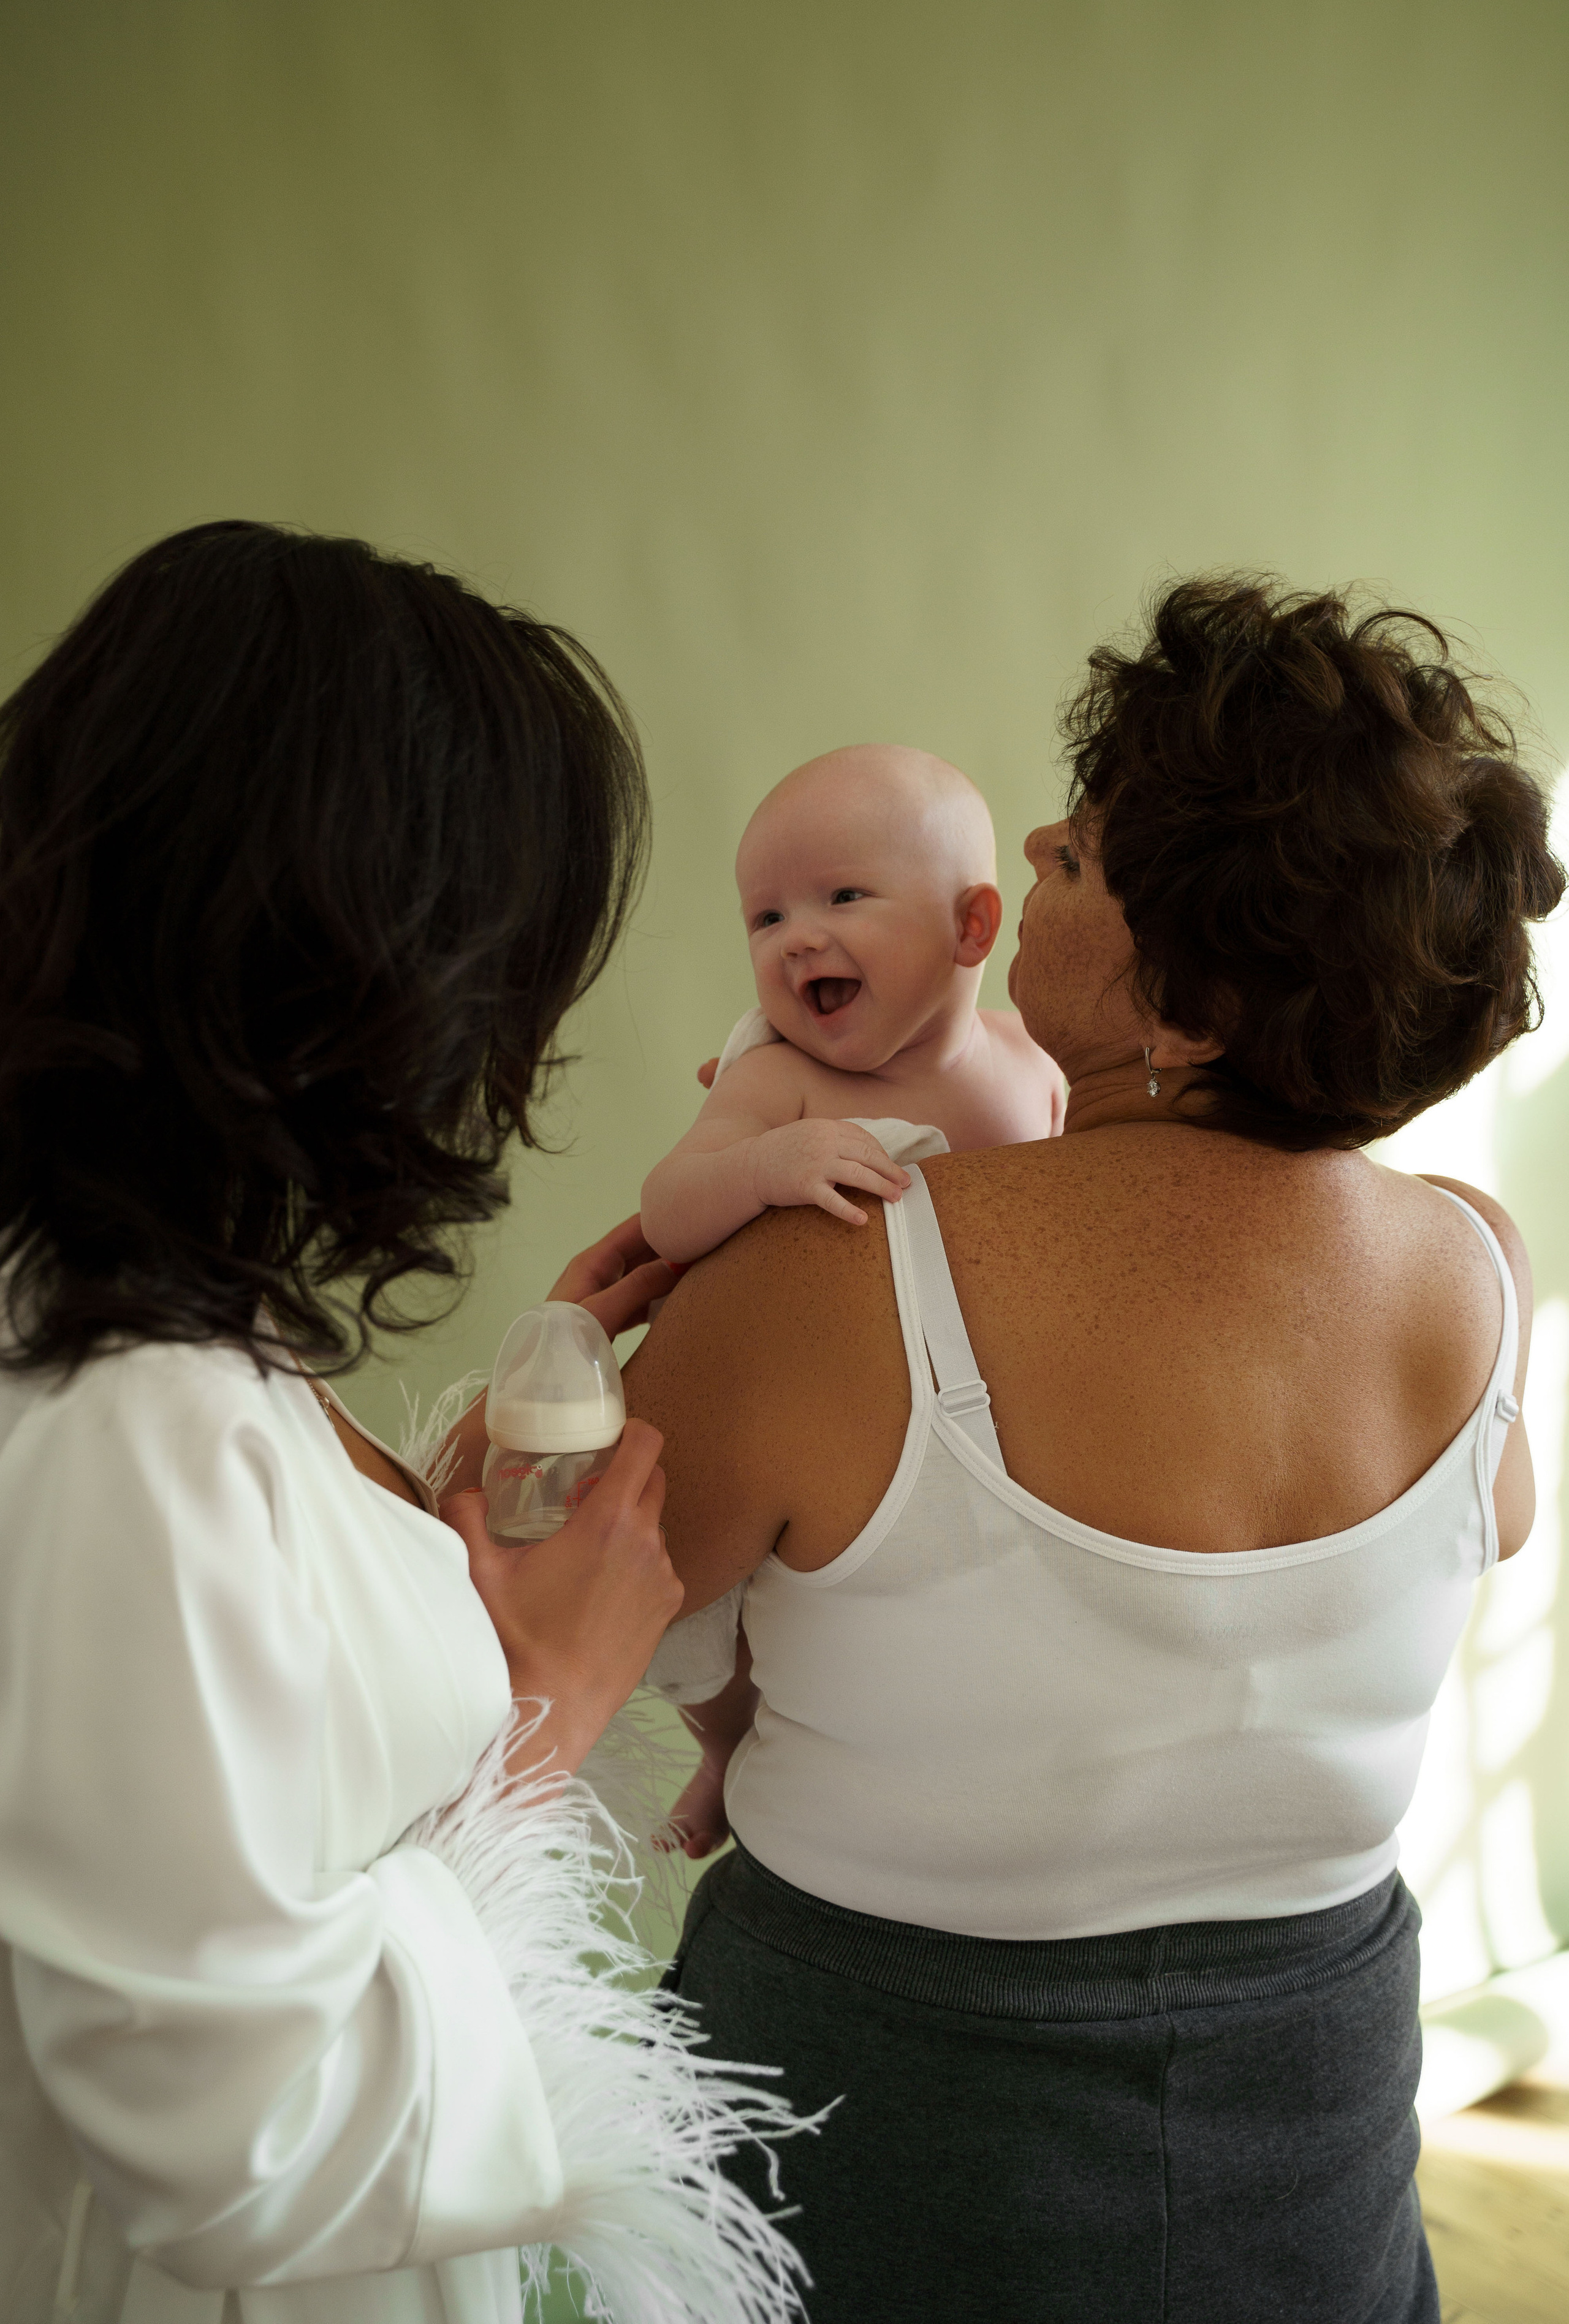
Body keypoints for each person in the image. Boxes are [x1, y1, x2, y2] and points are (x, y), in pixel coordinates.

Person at [623, 577, 1564, 2324]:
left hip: (877, 2117)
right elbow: (1476, 1530)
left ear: (1191, 1008)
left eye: (1080, 860)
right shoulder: (1477, 1272)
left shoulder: (833, 1273)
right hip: (1311, 2129)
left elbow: (579, 1611)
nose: (1039, 843)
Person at [0, 524, 806, 2324]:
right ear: (360, 952)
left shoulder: (135, 1328)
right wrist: (550, 1706)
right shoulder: (126, 1414)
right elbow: (244, 2128)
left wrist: (398, 1515)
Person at [639, 744, 1066, 1265]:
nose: (796, 940)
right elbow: (665, 1211)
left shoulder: (1032, 1056)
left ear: (969, 925)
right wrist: (759, 1168)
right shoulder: (780, 1080)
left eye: (844, 897)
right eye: (768, 918)